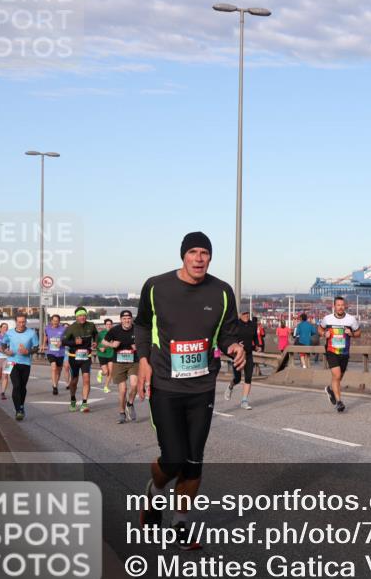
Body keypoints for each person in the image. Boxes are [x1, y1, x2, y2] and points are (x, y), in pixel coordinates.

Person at [134, 231, 244, 549]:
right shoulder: (156, 286)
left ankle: (181, 525)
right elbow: (142, 324)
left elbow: (226, 332)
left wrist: (234, 345)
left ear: (210, 257)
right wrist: (143, 360)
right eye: (193, 252)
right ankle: (154, 496)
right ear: (183, 255)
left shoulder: (222, 292)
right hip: (165, 384)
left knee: (194, 461)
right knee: (173, 458)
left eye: (204, 253)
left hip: (202, 386)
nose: (199, 258)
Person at [319, 296, 360, 412]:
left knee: (339, 377)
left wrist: (351, 333)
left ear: (345, 306)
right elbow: (320, 329)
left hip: (344, 352)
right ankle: (339, 402)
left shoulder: (351, 320)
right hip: (331, 351)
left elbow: (358, 333)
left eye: (342, 305)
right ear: (334, 307)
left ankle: (330, 389)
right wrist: (324, 334)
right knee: (336, 375)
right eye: (338, 305)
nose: (340, 307)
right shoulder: (327, 319)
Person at [102, 310, 140, 424]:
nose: (127, 320)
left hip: (134, 361)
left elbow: (145, 342)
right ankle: (122, 413)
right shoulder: (115, 330)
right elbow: (104, 341)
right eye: (124, 319)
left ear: (131, 319)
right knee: (123, 390)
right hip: (118, 363)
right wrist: (112, 344)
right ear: (121, 320)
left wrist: (137, 346)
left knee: (134, 385)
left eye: (129, 318)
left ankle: (130, 403)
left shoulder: (137, 329)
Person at [0, 314, 39, 421]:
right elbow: (3, 345)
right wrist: (6, 351)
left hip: (25, 363)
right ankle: (18, 410)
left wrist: (28, 351)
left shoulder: (31, 333)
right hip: (12, 362)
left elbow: (36, 348)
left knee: (22, 387)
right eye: (19, 322)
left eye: (23, 322)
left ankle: (21, 405)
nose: (21, 324)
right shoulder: (9, 333)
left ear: (25, 322)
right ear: (16, 322)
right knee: (16, 386)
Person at [63, 307, 98, 412]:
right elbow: (64, 342)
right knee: (74, 381)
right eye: (80, 316)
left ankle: (84, 403)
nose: (82, 317)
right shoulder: (71, 328)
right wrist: (74, 343)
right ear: (76, 317)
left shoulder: (91, 325)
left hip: (86, 357)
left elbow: (96, 334)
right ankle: (73, 399)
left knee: (86, 379)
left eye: (84, 315)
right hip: (74, 357)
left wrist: (95, 342)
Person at [225, 310, 257, 410]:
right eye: (244, 314)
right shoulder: (236, 324)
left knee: (248, 377)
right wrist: (237, 344)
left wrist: (257, 345)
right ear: (240, 315)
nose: (246, 315)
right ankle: (230, 386)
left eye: (247, 313)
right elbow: (230, 338)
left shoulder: (252, 324)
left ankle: (244, 401)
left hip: (249, 354)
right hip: (238, 355)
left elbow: (255, 337)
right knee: (237, 379)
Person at [43, 314, 67, 396]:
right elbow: (46, 336)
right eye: (54, 320)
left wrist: (62, 342)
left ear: (59, 321)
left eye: (57, 321)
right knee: (53, 367)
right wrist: (43, 345)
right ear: (51, 321)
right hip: (51, 352)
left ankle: (56, 384)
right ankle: (54, 386)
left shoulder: (63, 329)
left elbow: (66, 338)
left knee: (59, 371)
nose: (55, 322)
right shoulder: (47, 328)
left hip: (60, 352)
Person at [96, 318, 115, 393]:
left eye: (110, 324)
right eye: (107, 324)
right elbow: (96, 344)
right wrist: (100, 347)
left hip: (111, 354)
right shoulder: (101, 334)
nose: (109, 326)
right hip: (102, 354)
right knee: (106, 372)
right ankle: (101, 372)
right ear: (105, 325)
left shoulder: (114, 333)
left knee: (111, 372)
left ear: (112, 325)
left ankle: (106, 387)